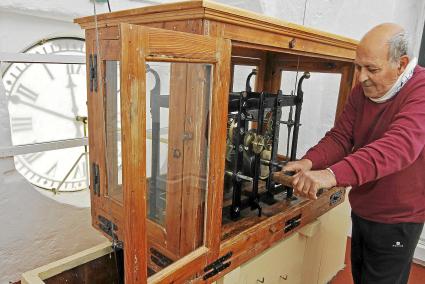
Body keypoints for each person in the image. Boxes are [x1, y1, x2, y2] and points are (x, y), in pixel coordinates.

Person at [283, 23, 425, 284]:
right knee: (362, 276)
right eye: (358, 67)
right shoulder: (363, 90)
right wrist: (309, 161)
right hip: (363, 206)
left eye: (372, 69)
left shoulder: (421, 90)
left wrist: (330, 174)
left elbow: (397, 147)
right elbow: (341, 137)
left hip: (398, 218)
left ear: (401, 64)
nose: (361, 78)